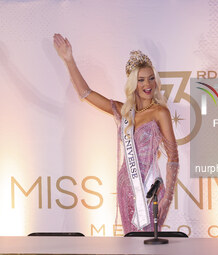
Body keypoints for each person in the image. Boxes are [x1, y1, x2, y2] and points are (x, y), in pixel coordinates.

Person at [53, 34, 179, 233]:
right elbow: (85, 93)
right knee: (131, 243)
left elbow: (173, 157)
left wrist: (167, 197)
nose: (148, 84)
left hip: (150, 188)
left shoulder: (160, 112)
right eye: (141, 80)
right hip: (125, 188)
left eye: (151, 78)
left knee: (149, 241)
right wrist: (69, 60)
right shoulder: (124, 111)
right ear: (133, 84)